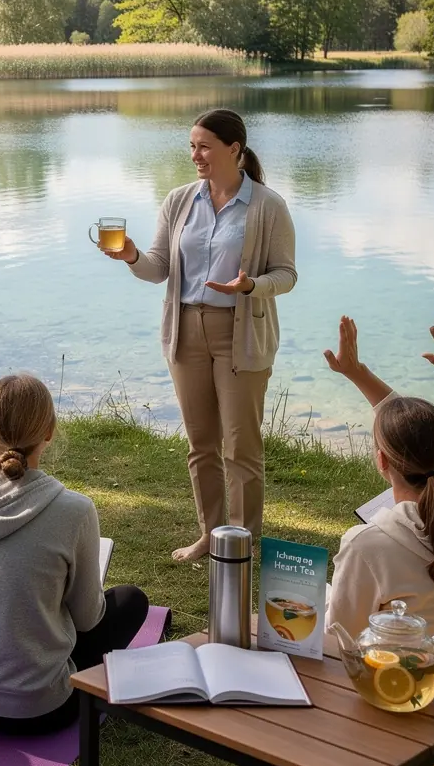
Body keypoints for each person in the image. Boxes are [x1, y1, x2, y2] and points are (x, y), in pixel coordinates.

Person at [100, 108, 296, 561]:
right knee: (200, 445)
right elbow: (159, 268)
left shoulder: (268, 206)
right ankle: (210, 536)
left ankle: (241, 545)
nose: (195, 155)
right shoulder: (179, 200)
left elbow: (286, 275)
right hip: (185, 330)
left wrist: (251, 286)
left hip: (240, 333)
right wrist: (132, 256)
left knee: (240, 446)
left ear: (234, 150)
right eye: (192, 146)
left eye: (204, 146)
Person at [0, 374, 150, 734]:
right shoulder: (75, 510)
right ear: (50, 431)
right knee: (131, 601)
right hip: (35, 710)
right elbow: (88, 619)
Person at [324, 315, 434, 686]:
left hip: (414, 717)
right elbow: (409, 425)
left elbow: (340, 646)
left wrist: (356, 372)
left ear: (381, 461)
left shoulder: (368, 545)